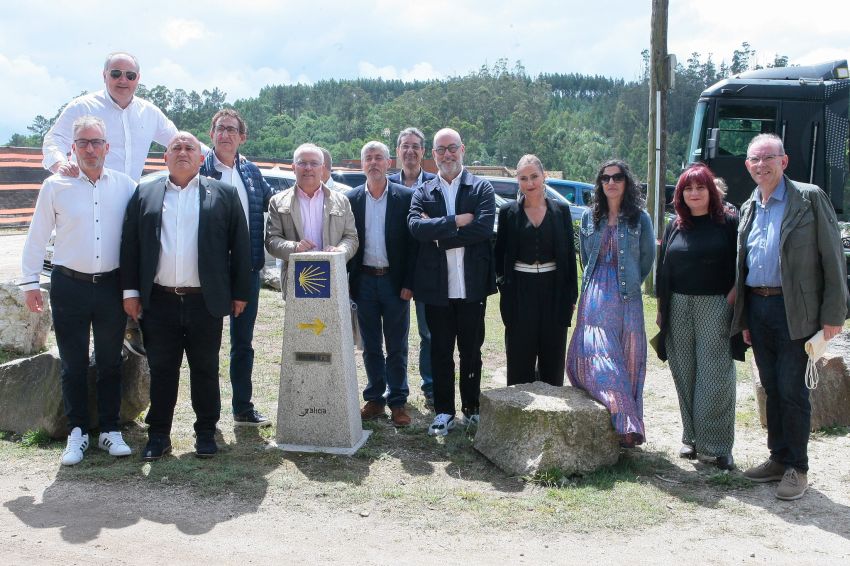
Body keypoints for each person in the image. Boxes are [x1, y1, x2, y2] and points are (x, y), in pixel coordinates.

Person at [120, 132, 252, 461]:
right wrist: (131, 291)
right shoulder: (145, 193)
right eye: (175, 147)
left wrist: (239, 293)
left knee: (205, 369)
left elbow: (241, 246)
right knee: (163, 369)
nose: (182, 152)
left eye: (189, 147)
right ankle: (159, 435)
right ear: (164, 157)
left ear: (199, 157)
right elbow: (131, 246)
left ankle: (206, 433)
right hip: (159, 300)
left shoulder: (222, 193)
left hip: (204, 301)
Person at [41, 52, 180, 358]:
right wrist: (60, 164)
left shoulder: (149, 112)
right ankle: (109, 329)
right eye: (116, 73)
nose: (123, 80)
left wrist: (216, 160)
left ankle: (133, 325)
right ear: (104, 76)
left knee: (137, 259)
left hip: (129, 198)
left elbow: (178, 140)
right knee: (98, 261)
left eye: (130, 75)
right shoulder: (83, 107)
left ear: (138, 80)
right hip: (89, 195)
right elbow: (53, 140)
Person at [732, 133, 848, 500]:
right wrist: (746, 317)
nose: (761, 165)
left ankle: (798, 467)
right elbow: (745, 264)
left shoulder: (809, 198)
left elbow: (833, 259)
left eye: (769, 157)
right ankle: (778, 458)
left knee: (793, 389)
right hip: (759, 306)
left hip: (796, 310)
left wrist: (834, 314)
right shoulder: (750, 204)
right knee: (771, 387)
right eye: (754, 159)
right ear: (748, 166)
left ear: (785, 161)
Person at [20, 115, 136, 465]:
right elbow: (37, 236)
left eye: (96, 142)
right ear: (73, 148)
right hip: (69, 284)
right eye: (83, 142)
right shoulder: (55, 186)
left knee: (110, 362)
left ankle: (110, 430)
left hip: (110, 287)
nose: (90, 148)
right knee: (72, 363)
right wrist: (29, 283)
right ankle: (77, 432)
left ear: (107, 147)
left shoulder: (126, 185)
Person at [408, 128, 496, 436]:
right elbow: (416, 228)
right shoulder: (424, 191)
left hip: (471, 286)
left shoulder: (481, 187)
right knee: (440, 351)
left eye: (452, 148)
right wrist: (455, 222)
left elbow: (484, 228)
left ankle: (472, 409)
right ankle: (444, 411)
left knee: (471, 351)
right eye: (441, 150)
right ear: (433, 155)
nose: (447, 154)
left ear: (463, 150)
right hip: (436, 289)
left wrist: (440, 237)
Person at [655, 164, 740, 470]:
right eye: (688, 189)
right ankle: (692, 438)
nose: (694, 194)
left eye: (700, 188)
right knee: (684, 371)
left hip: (715, 305)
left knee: (714, 375)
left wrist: (732, 296)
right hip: (678, 306)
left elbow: (742, 264)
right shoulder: (675, 224)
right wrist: (663, 310)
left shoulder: (728, 221)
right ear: (681, 194)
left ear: (711, 190)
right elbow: (665, 268)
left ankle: (717, 447)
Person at [566, 159, 655, 448]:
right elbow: (584, 259)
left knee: (626, 357)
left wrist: (625, 283)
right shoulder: (589, 218)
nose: (611, 183)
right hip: (594, 294)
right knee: (598, 354)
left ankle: (625, 432)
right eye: (605, 178)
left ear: (626, 182)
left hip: (627, 296)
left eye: (617, 177)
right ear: (599, 184)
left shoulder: (640, 219)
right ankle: (624, 418)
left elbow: (645, 261)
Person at [199, 109, 273, 427]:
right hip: (209, 275)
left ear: (242, 137)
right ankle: (208, 415)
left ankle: (242, 407)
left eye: (232, 129)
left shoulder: (252, 172)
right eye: (220, 128)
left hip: (248, 271)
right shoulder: (199, 172)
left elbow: (275, 203)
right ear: (211, 134)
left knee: (243, 344)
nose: (225, 134)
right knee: (207, 346)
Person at [346, 141, 417, 426]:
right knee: (370, 344)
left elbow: (415, 246)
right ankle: (375, 398)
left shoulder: (406, 197)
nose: (374, 163)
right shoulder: (351, 199)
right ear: (362, 164)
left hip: (395, 282)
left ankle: (398, 401)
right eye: (368, 158)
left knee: (397, 345)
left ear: (389, 163)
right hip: (364, 281)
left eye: (379, 158)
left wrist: (410, 282)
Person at [494, 155, 577, 385]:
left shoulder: (561, 211)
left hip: (554, 289)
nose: (529, 183)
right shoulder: (508, 213)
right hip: (520, 290)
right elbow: (499, 255)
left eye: (534, 177)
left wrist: (571, 294)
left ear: (544, 177)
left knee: (553, 354)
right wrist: (505, 287)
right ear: (517, 180)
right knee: (520, 354)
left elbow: (569, 255)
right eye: (523, 178)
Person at [265, 143, 358, 297]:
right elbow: (271, 241)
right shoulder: (278, 201)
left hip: (333, 277)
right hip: (297, 280)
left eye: (314, 163)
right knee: (300, 322)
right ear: (294, 167)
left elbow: (351, 238)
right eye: (302, 163)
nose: (308, 167)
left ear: (322, 168)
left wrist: (340, 251)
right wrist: (294, 247)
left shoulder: (341, 201)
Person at [389, 127, 437, 408]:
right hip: (394, 270)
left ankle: (430, 385)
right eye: (405, 146)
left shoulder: (435, 183)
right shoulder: (386, 183)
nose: (410, 151)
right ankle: (397, 389)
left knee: (428, 332)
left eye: (415, 146)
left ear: (423, 151)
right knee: (396, 334)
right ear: (397, 151)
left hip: (427, 268)